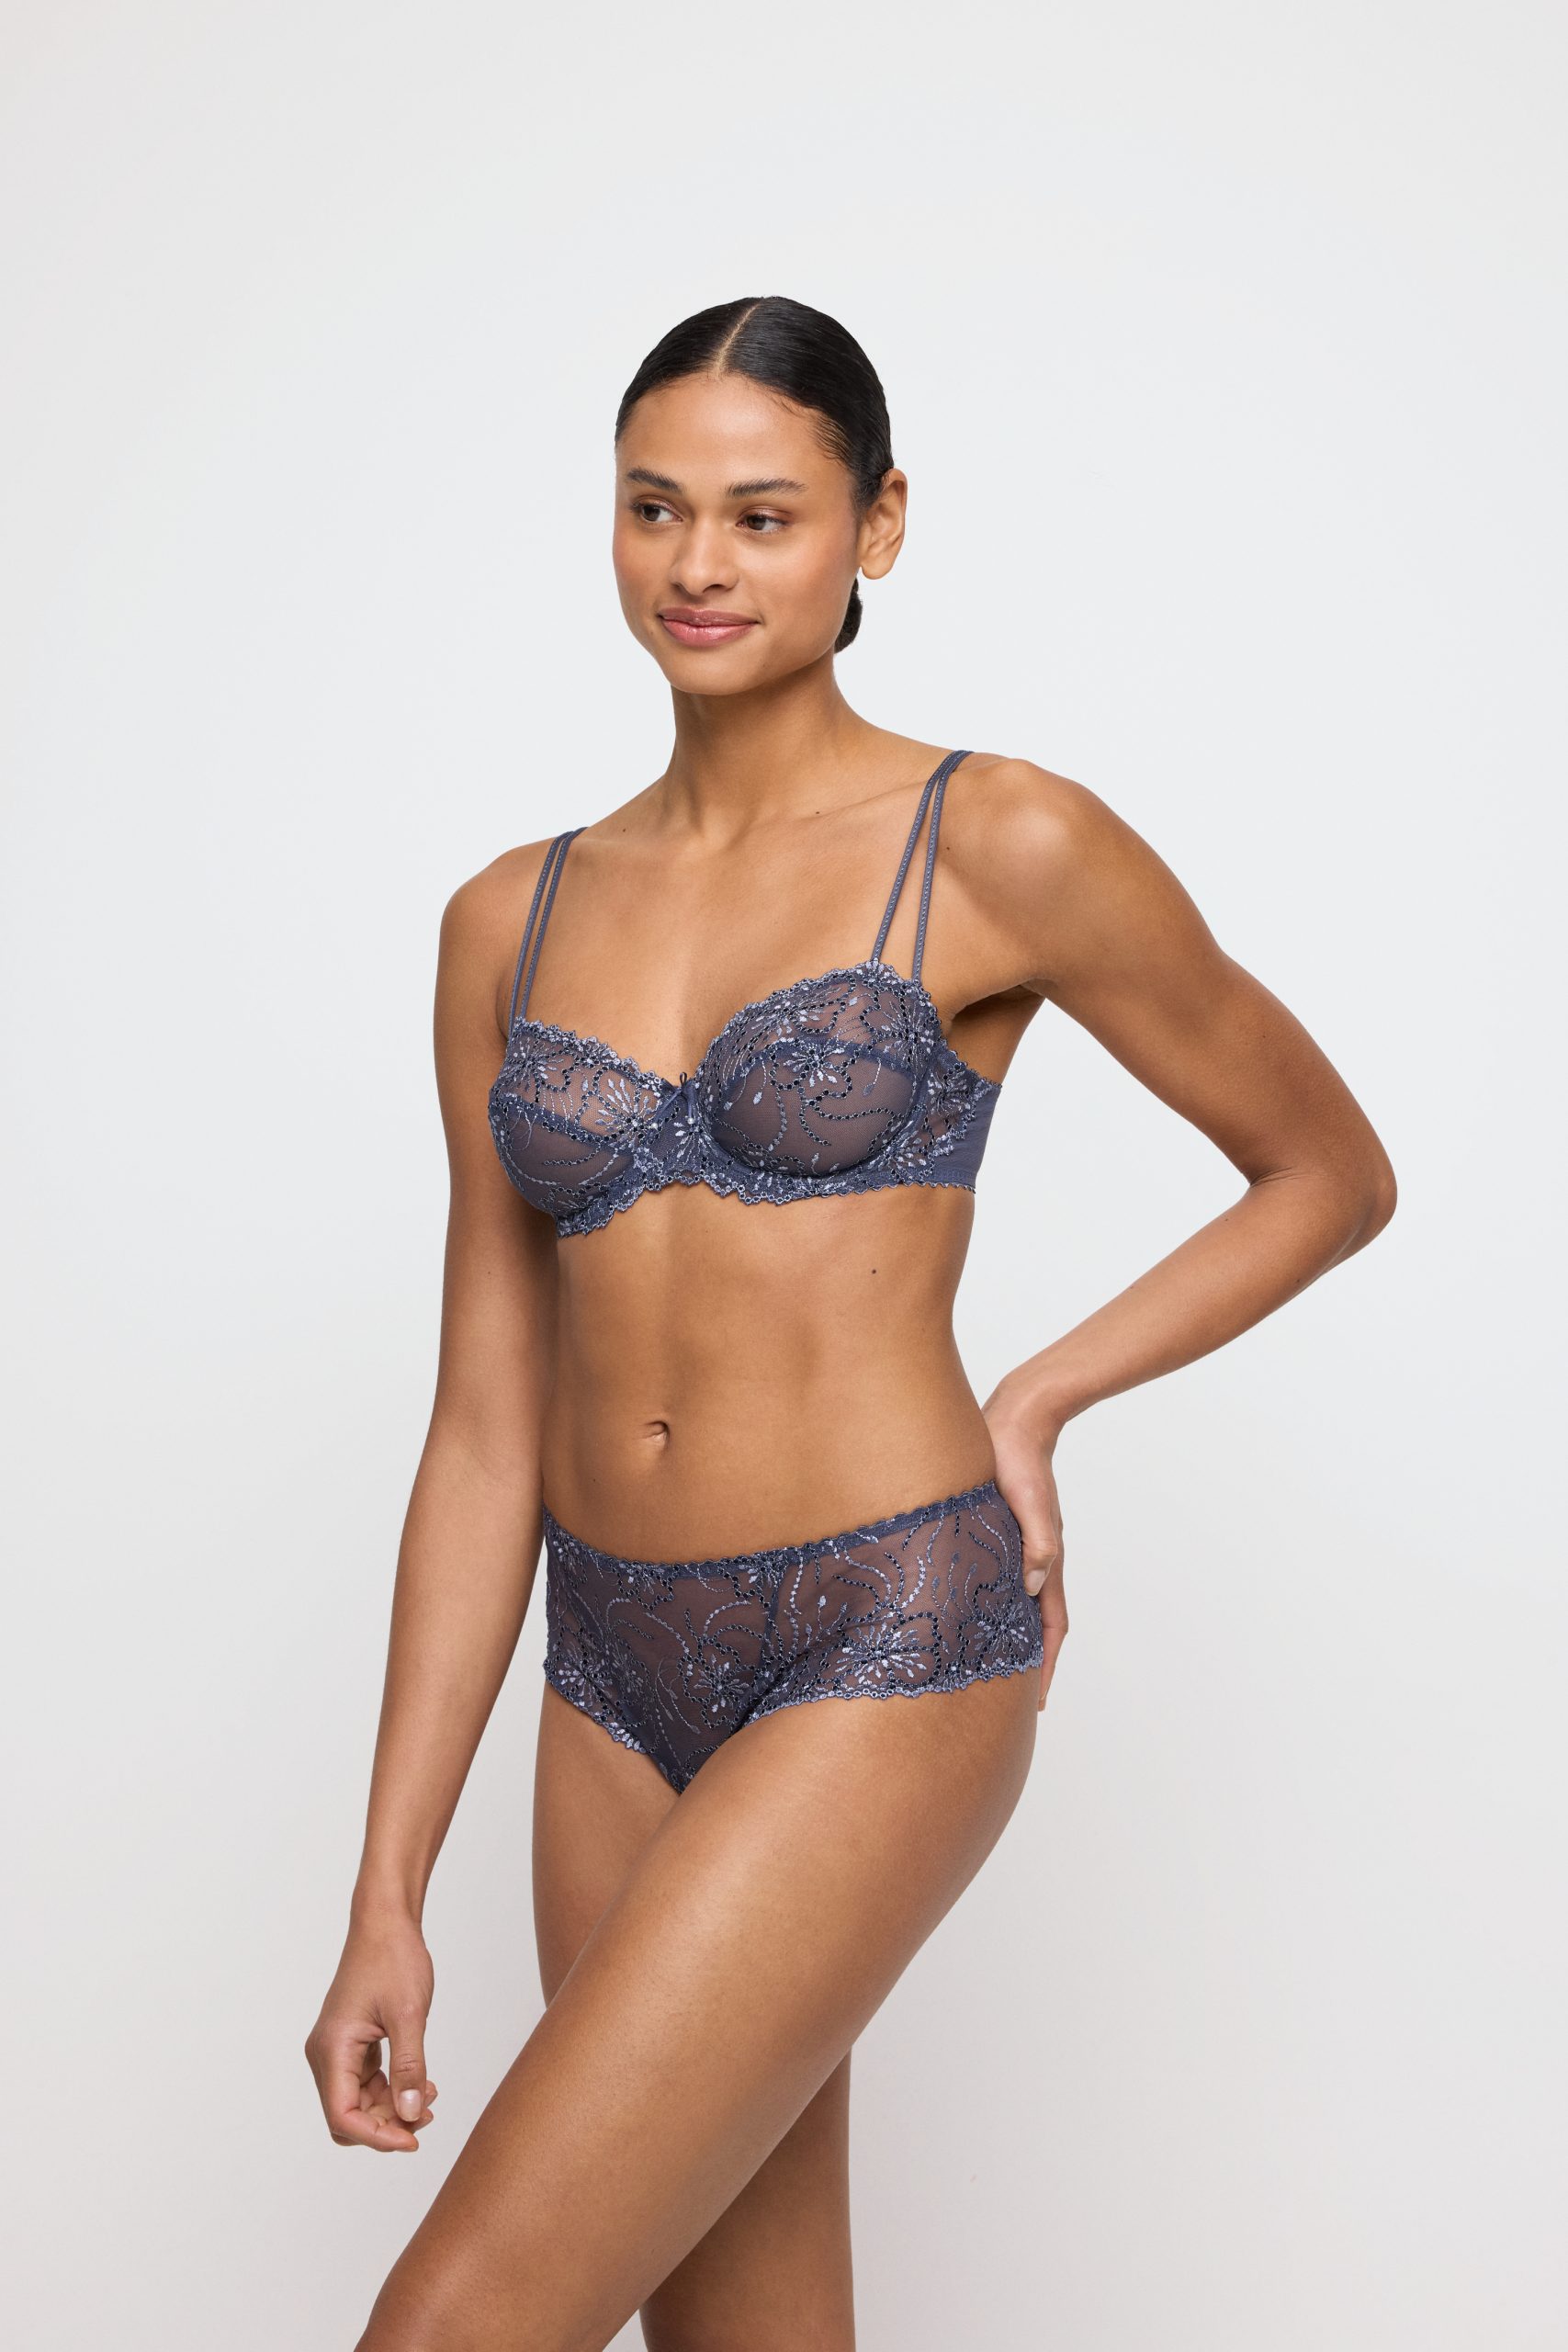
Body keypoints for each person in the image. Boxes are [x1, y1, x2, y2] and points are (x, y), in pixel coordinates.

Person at [305, 295, 1396, 2351]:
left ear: (876, 525)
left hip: (884, 1628)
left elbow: (1326, 1172)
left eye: (762, 514)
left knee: (456, 2318)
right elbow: (482, 1423)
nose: (697, 564)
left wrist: (1037, 1397)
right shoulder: (506, 919)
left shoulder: (996, 838)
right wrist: (387, 1886)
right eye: (653, 508)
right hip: (606, 1670)